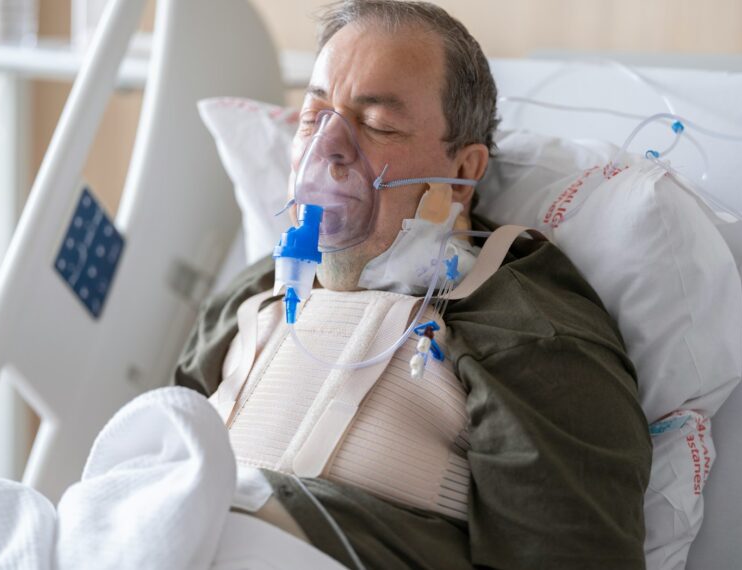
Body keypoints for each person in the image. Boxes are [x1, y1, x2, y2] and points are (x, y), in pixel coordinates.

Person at [174, 1, 652, 569]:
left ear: (466, 170)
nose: (328, 148)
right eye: (314, 115)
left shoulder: (531, 336)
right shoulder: (250, 301)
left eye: (377, 124)